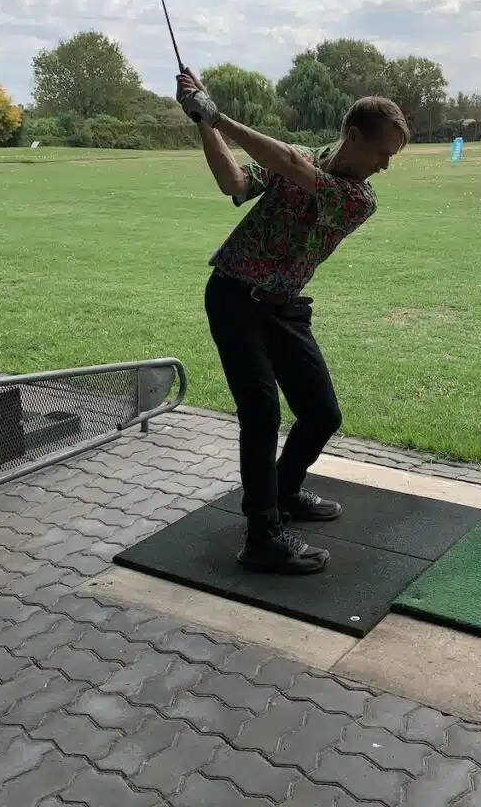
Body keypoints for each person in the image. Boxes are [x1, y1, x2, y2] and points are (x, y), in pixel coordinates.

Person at [175, 66, 409, 575]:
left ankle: (283, 491)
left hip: (283, 308)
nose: (386, 167)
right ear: (352, 136)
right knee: (260, 415)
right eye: (384, 154)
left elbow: (293, 167)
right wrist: (203, 121)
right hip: (235, 297)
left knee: (322, 413)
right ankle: (262, 535)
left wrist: (218, 115)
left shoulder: (357, 198)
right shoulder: (298, 158)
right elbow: (234, 182)